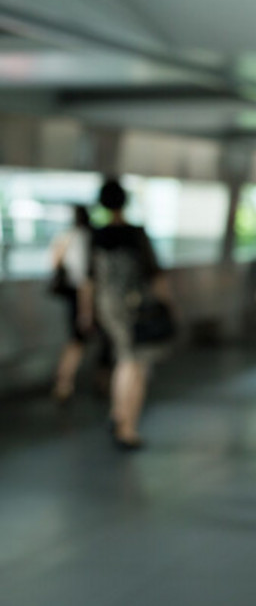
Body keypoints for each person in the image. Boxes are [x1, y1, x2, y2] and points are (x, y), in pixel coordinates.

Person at [80, 180, 173, 450]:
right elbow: (155, 275)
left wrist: (87, 312)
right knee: (136, 364)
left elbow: (89, 279)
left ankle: (117, 414)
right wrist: (168, 305)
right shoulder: (136, 234)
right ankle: (127, 426)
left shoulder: (96, 235)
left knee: (123, 357)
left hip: (107, 306)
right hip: (136, 307)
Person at [48, 204, 92, 403]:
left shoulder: (65, 236)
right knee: (77, 340)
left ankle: (64, 382)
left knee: (76, 339)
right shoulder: (84, 238)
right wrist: (86, 310)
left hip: (71, 294)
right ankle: (64, 383)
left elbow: (53, 262)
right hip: (82, 295)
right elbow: (85, 278)